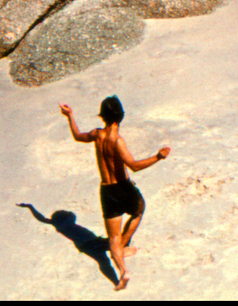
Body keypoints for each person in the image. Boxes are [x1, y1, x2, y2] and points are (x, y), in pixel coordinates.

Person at [60, 96, 171, 291]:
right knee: (138, 210)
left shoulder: (97, 134)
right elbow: (134, 166)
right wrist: (158, 157)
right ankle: (124, 244)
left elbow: (77, 136)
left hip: (107, 190)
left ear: (102, 116)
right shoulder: (117, 141)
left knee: (113, 238)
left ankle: (122, 270)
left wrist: (70, 115)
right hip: (123, 187)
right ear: (121, 116)